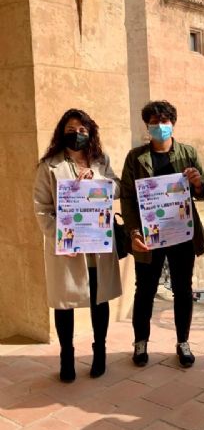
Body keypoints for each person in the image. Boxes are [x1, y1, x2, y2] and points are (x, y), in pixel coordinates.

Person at [33, 109, 122, 381]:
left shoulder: (100, 160)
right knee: (65, 303)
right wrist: (59, 236)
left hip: (97, 244)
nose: (78, 134)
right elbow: (41, 208)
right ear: (62, 131)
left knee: (100, 298)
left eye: (83, 130)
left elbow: (117, 187)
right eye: (72, 129)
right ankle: (67, 357)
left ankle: (100, 352)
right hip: (68, 248)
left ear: (90, 132)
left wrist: (97, 180)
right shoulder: (49, 165)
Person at [121, 100, 204, 368]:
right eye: (154, 122)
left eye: (164, 121)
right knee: (144, 290)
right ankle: (140, 343)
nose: (160, 126)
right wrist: (134, 231)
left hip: (181, 234)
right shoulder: (135, 157)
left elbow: (203, 192)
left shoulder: (188, 153)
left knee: (183, 289)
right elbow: (127, 198)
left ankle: (183, 342)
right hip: (149, 236)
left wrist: (197, 183)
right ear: (147, 125)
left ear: (173, 123)